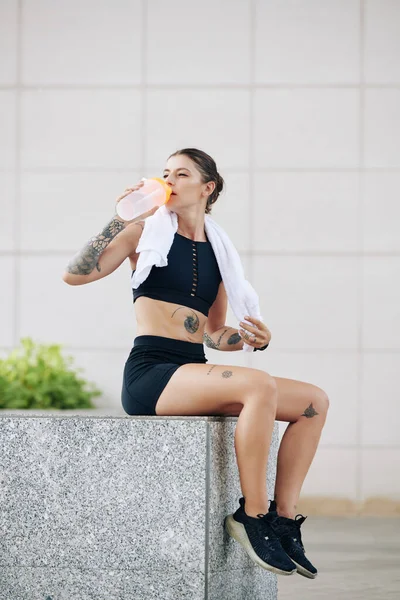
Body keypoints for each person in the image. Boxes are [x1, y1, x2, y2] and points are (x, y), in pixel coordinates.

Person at [63, 147, 329, 579]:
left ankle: (282, 520)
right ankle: (252, 516)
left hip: (192, 367)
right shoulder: (141, 233)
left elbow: (213, 333)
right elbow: (75, 275)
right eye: (165, 172)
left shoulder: (219, 254)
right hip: (152, 373)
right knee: (258, 385)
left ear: (207, 188)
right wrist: (120, 216)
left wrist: (251, 338)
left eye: (181, 174)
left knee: (313, 402)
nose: (168, 180)